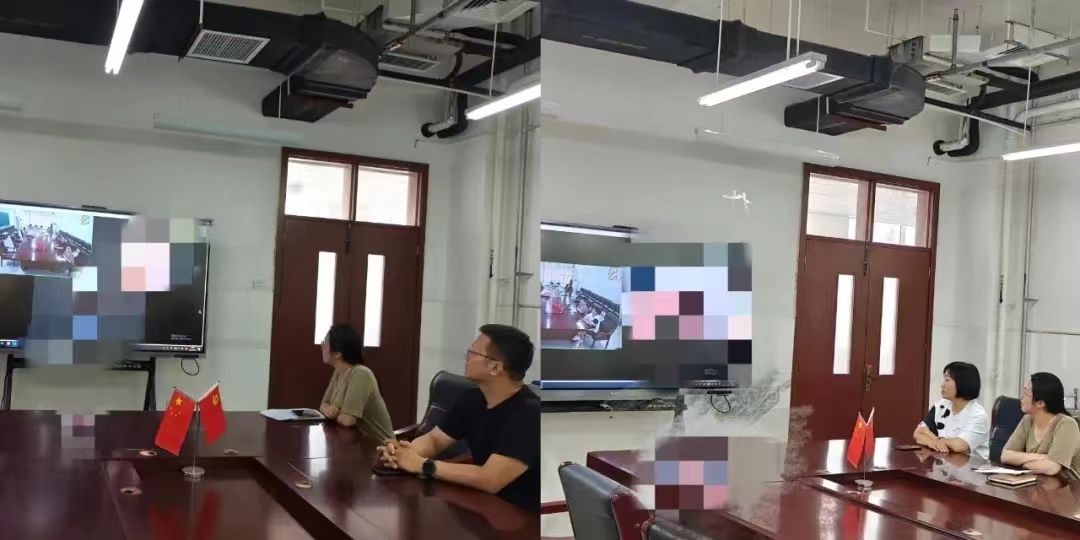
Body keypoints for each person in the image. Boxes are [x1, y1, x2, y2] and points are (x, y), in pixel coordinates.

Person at [377, 324, 539, 511]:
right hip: (480, 504)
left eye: (472, 352)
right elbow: (435, 440)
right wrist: (401, 453)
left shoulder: (529, 413)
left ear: (495, 367)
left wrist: (423, 465)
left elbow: (490, 479)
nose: (466, 358)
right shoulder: (473, 398)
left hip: (518, 515)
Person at [318, 324, 395, 443]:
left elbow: (348, 420)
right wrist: (328, 410)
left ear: (338, 353)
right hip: (353, 444)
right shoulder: (338, 372)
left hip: (379, 448)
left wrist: (331, 413)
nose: (322, 346)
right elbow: (323, 404)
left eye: (325, 342)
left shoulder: (360, 374)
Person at [1001, 372, 1080, 479]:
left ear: (1040, 403)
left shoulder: (1067, 424)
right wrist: (1042, 457)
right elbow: (1006, 455)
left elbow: (1051, 468)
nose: (1021, 397)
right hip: (1037, 484)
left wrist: (1020, 462)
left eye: (1026, 393)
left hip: (1066, 487)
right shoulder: (1027, 420)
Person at [913, 362, 990, 459]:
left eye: (947, 380)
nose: (942, 385)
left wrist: (932, 438)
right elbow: (918, 433)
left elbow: (960, 446)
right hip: (944, 463)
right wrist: (933, 442)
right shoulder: (941, 406)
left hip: (971, 466)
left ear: (963, 383)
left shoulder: (978, 414)